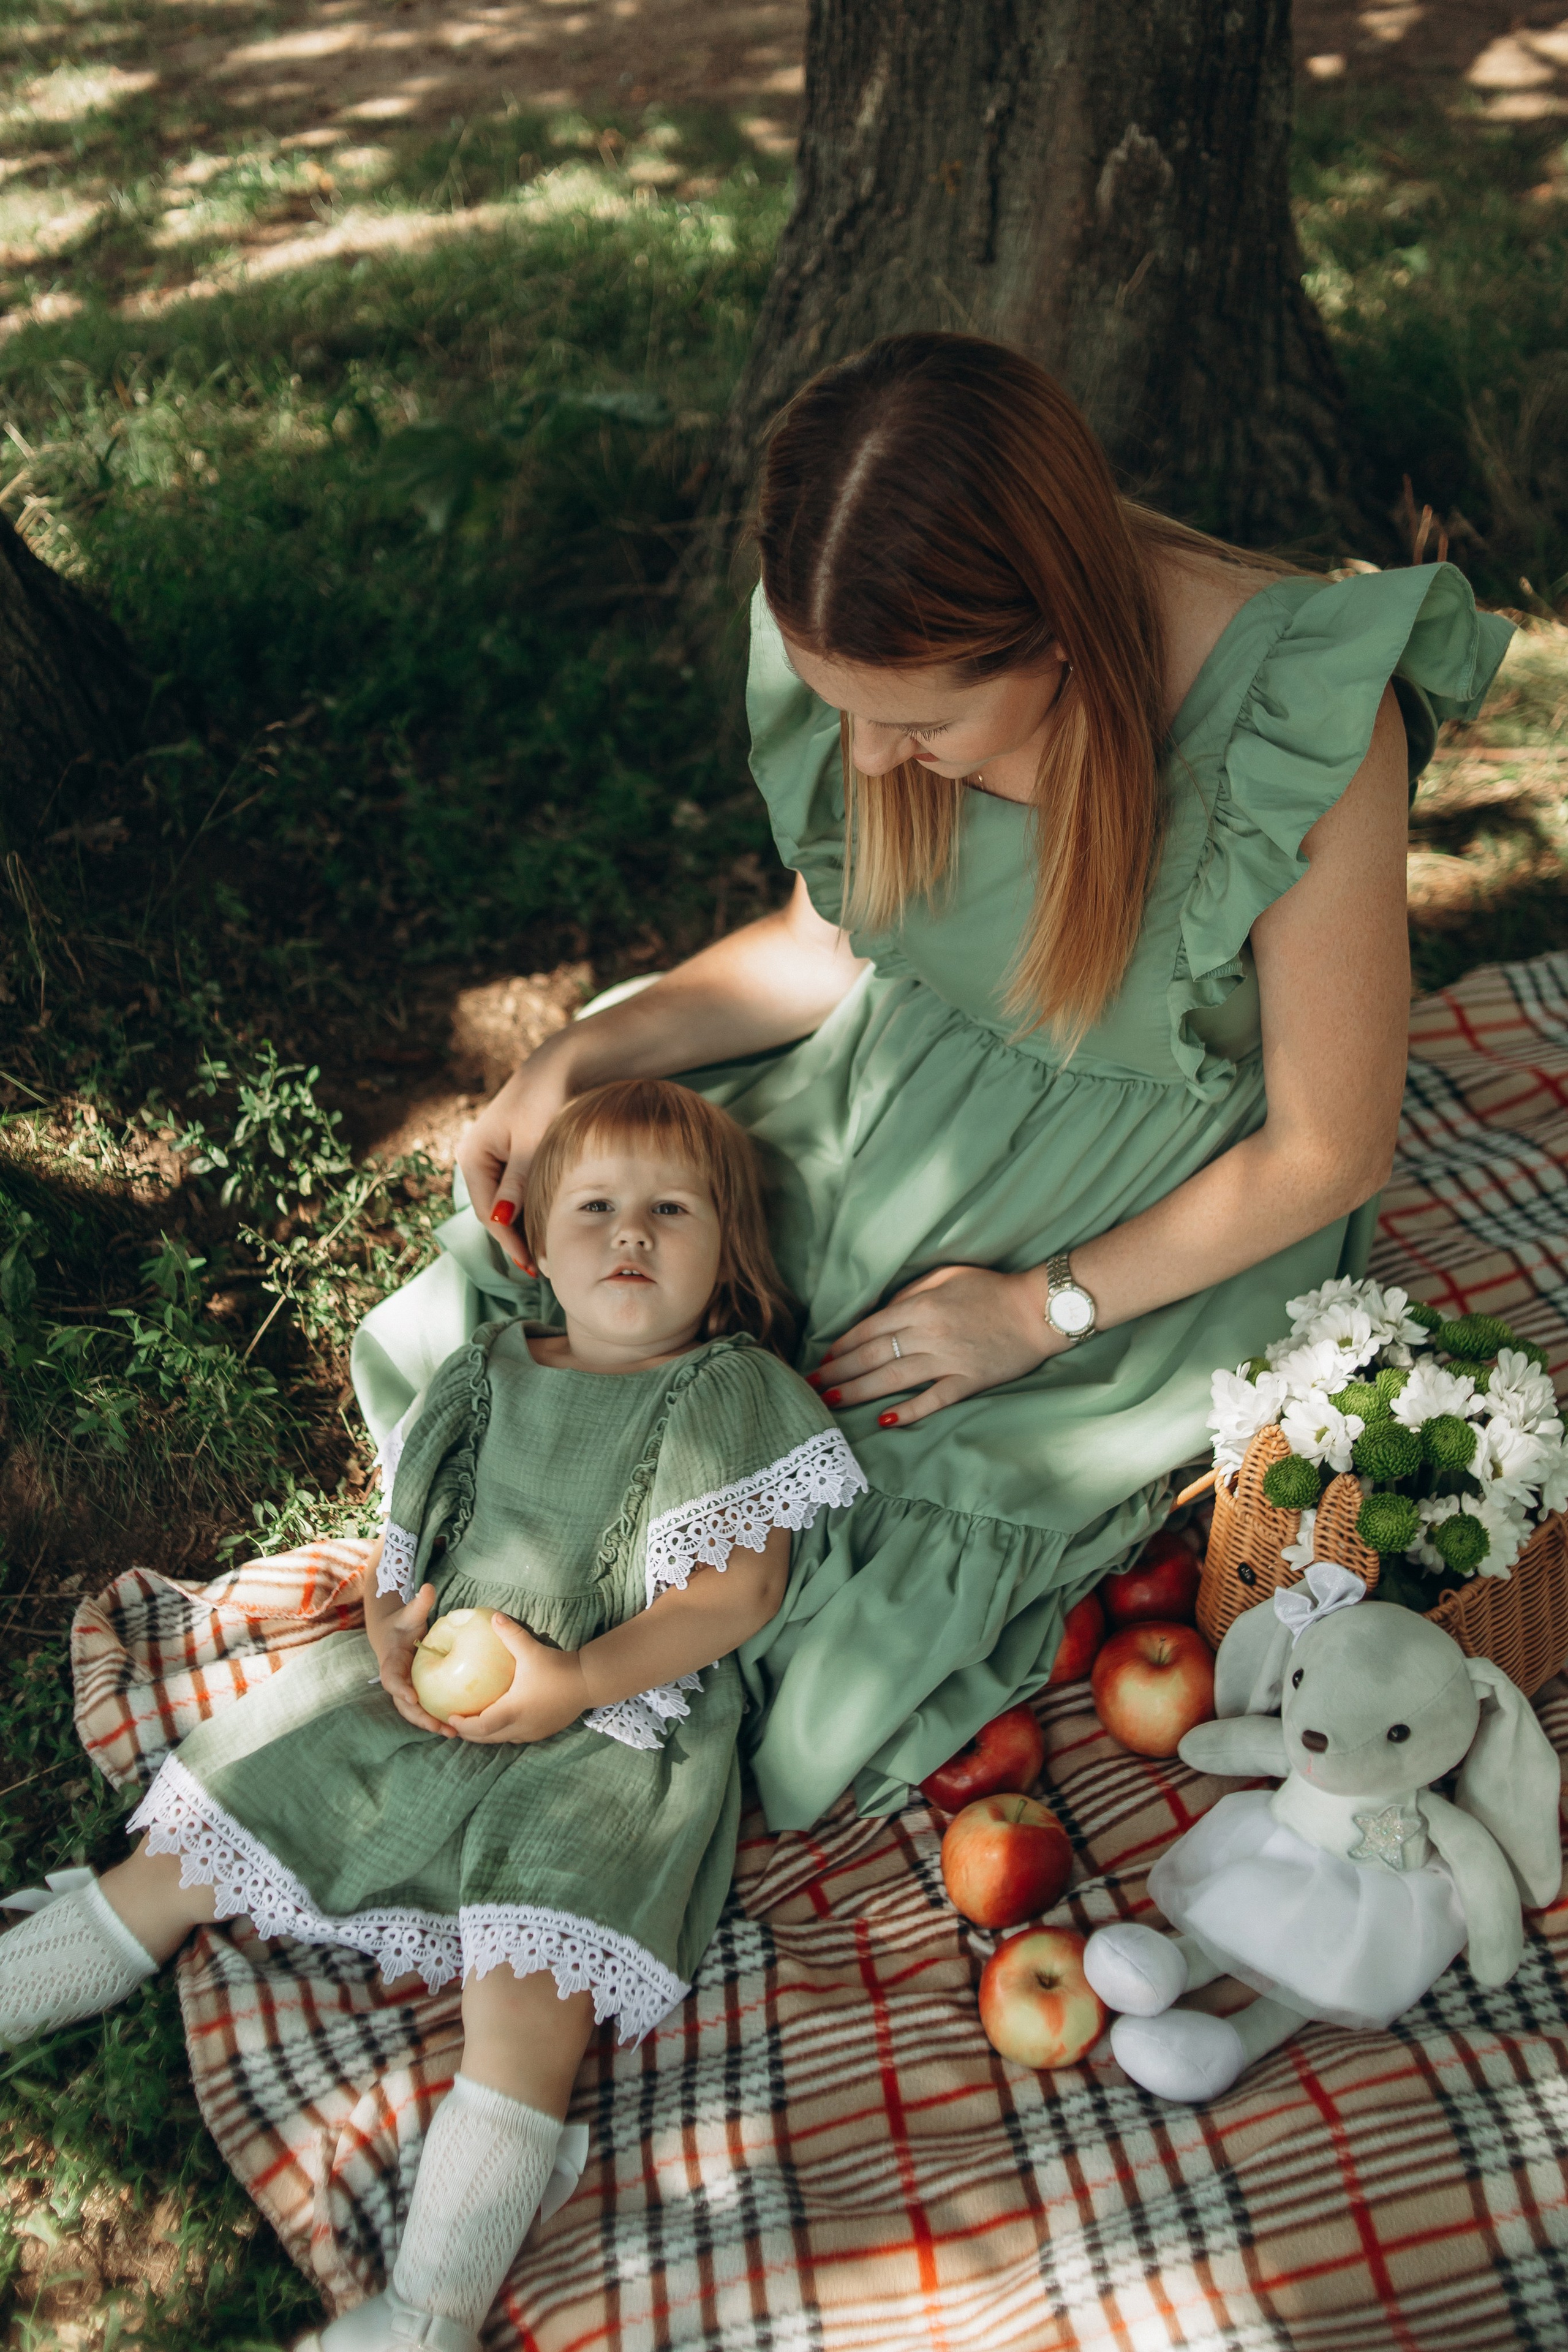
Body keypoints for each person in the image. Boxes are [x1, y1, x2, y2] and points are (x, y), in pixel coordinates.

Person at [351, 331, 1513, 1837]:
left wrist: (1040, 1312)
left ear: (1056, 641)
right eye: (848, 712)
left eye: (915, 722)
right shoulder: (869, 642)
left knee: (828, 1583)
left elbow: (1331, 1146)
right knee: (560, 1325)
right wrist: (589, 1050)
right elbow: (824, 943)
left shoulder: (1296, 721)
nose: (875, 760)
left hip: (1129, 1221)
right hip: (887, 1107)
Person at [0, 1082, 865, 2352]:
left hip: (616, 1717)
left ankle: (427, 2310)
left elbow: (737, 1594)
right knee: (213, 1835)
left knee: (531, 1996)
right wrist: (390, 1634)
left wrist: (574, 1683)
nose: (630, 1236)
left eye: (669, 1211)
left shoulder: (724, 1391)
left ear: (726, 1252)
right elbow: (410, 1545)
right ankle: (33, 1977)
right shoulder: (492, 1368)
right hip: (441, 1675)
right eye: (598, 1209)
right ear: (537, 1238)